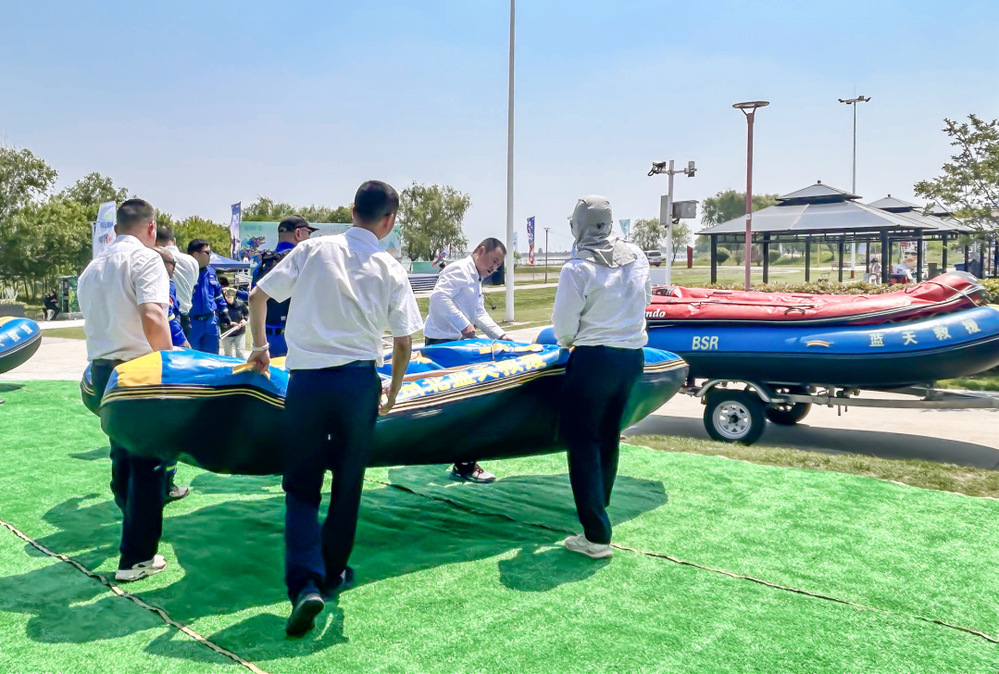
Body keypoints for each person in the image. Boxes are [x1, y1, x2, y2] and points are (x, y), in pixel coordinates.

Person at [247, 180, 422, 636]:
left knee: (302, 486)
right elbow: (403, 341)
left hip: (307, 383)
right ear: (390, 221)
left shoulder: (314, 250)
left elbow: (258, 296)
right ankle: (333, 572)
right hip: (358, 384)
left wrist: (261, 346)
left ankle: (304, 584)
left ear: (352, 209)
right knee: (348, 482)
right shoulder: (390, 267)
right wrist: (393, 390)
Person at [77, 198, 176, 581]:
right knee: (148, 466)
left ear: (116, 228)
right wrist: (170, 364)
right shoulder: (146, 259)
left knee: (122, 455)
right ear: (151, 228)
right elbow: (153, 315)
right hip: (139, 372)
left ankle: (132, 529)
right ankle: (136, 558)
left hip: (102, 372)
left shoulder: (92, 268)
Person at [551, 195, 650, 560]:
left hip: (594, 360)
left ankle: (595, 535)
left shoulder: (578, 267)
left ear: (578, 226)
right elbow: (645, 299)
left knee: (583, 443)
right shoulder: (637, 256)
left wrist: (567, 342)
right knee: (609, 438)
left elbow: (564, 325)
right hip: (632, 357)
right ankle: (599, 513)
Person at [423, 237, 510, 483]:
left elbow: (479, 312)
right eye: (494, 261)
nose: (494, 268)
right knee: (463, 405)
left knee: (459, 405)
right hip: (444, 345)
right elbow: (439, 298)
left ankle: (458, 458)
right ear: (480, 250)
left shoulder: (475, 278)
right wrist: (464, 325)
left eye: (498, 265)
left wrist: (501, 335)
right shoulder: (460, 269)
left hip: (455, 344)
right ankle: (464, 465)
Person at [150, 247, 192, 503]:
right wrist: (184, 347)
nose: (174, 269)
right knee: (168, 425)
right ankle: (165, 484)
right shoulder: (161, 283)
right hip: (163, 360)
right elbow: (168, 319)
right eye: (171, 264)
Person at [251, 215, 318, 357]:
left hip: (265, 338)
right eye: (308, 233)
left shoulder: (264, 262)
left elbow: (252, 298)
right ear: (298, 233)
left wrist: (259, 346)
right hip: (293, 339)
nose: (310, 237)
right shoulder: (300, 262)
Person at [187, 239, 231, 353]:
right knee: (192, 357)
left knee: (212, 357)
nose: (210, 255)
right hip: (192, 323)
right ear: (195, 254)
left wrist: (224, 312)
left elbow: (217, 293)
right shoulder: (185, 272)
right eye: (207, 252)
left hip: (211, 323)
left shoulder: (211, 272)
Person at [156, 225, 199, 340]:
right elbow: (194, 285)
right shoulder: (192, 261)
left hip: (165, 317)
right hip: (186, 317)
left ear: (155, 241)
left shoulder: (155, 257)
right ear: (174, 240)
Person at [218, 276, 248, 359]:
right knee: (228, 355)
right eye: (227, 296)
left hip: (240, 332)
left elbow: (247, 314)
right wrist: (229, 323)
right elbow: (218, 318)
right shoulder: (222, 306)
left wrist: (244, 320)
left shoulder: (241, 304)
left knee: (240, 353)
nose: (229, 298)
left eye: (230, 296)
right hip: (227, 334)